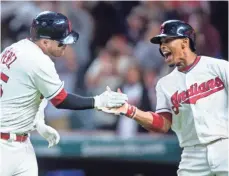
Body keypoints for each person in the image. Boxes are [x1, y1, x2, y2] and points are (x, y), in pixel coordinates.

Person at [0, 11, 127, 176]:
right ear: (45, 42)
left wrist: (37, 121)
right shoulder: (38, 60)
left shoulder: (16, 48)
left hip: (21, 144)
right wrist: (98, 102)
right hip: (4, 146)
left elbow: (25, 89)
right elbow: (61, 100)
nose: (66, 47)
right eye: (61, 43)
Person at [102, 20, 228, 176]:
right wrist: (130, 110)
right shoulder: (164, 84)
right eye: (161, 42)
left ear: (184, 42)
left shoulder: (218, 67)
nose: (162, 46)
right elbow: (162, 124)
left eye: (168, 40)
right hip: (192, 155)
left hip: (224, 146)